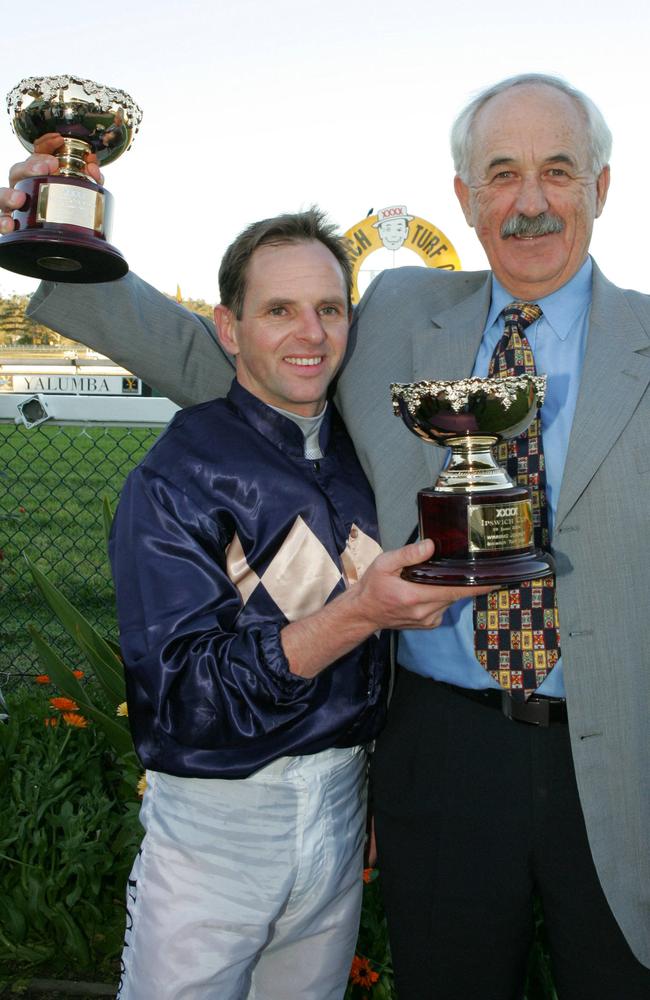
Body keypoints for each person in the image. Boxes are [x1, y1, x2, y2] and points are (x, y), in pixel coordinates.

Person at [1, 72, 649, 998]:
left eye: (558, 170)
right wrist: (66, 242)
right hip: (442, 751)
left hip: (624, 750)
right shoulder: (391, 313)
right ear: (465, 198)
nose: (531, 201)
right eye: (501, 174)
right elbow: (231, 362)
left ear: (602, 187)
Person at [97, 208, 479, 1000]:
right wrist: (357, 616)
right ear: (229, 328)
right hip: (216, 822)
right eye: (279, 310)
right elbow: (184, 699)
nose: (310, 333)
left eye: (329, 308)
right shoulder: (176, 475)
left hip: (341, 809)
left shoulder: (365, 451)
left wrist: (366, 792)